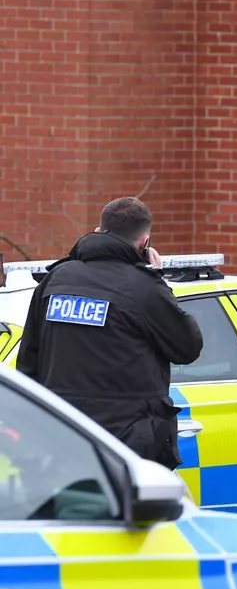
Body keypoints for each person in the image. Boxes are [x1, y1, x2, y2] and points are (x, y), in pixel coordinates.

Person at [16, 197, 204, 469]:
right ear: (145, 242)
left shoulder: (56, 279)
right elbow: (187, 348)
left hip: (62, 439)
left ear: (97, 230)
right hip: (126, 445)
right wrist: (158, 279)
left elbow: (29, 362)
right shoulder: (144, 287)